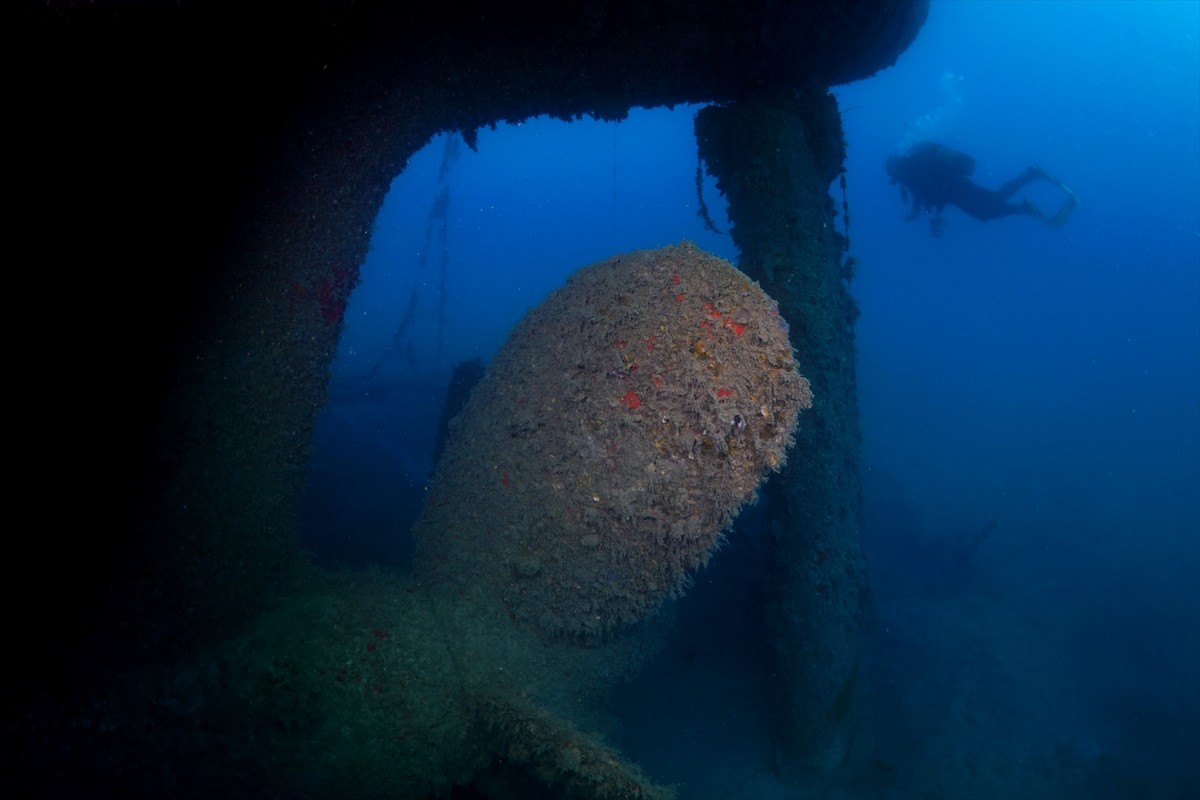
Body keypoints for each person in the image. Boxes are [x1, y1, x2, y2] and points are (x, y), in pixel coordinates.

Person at [886, 141, 1078, 236]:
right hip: (955, 189)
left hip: (957, 189)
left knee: (988, 209)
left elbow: (925, 192)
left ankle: (1029, 184)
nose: (893, 179)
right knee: (990, 206)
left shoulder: (909, 174)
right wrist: (934, 215)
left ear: (894, 169)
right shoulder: (912, 171)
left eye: (891, 174)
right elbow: (932, 190)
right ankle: (1028, 185)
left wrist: (916, 212)